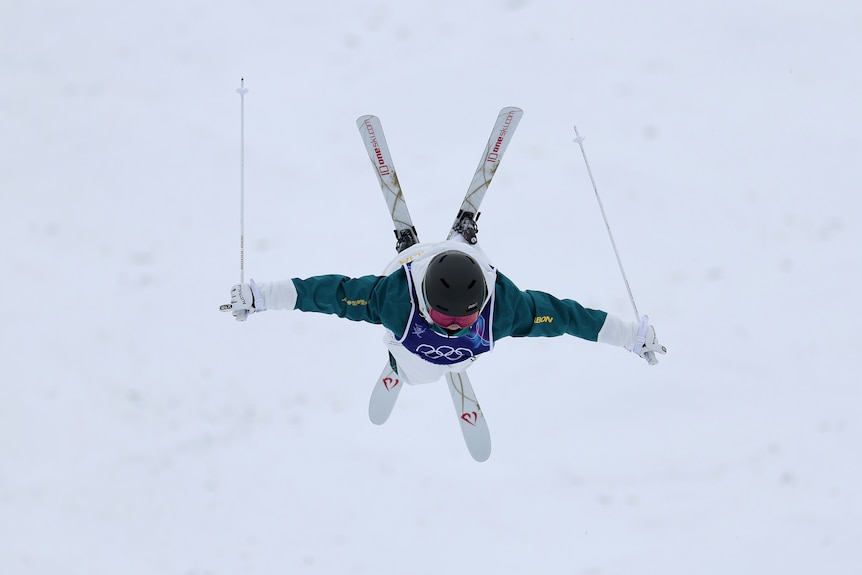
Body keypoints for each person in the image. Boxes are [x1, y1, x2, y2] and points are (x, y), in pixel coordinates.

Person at [223, 232, 665, 384]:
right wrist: (262, 296)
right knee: (418, 371)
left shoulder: (504, 309)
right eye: (445, 316)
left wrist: (632, 336)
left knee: (440, 366)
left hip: (459, 343)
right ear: (424, 301)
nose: (453, 325)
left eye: (463, 318)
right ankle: (419, 257)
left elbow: (567, 317)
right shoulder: (395, 302)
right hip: (412, 330)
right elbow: (330, 294)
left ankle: (462, 244)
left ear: (482, 305)